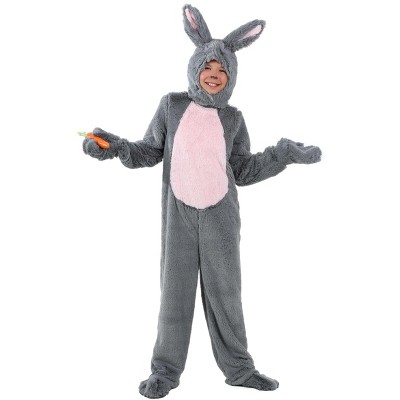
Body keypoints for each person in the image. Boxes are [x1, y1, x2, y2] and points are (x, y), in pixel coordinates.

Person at [82, 4, 321, 399]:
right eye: (207, 67)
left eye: (222, 70)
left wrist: (282, 155)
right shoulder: (171, 106)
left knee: (226, 293)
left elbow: (243, 170)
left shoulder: (234, 119)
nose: (214, 74)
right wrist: (115, 147)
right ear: (194, 68)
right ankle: (164, 372)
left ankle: (240, 370)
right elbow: (148, 151)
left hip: (221, 218)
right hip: (178, 217)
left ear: (231, 77)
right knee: (174, 294)